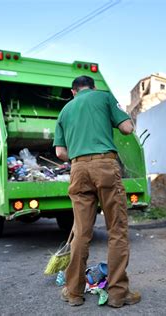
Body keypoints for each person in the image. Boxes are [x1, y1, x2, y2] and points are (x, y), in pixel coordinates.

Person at [53, 75, 141, 307]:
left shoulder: (65, 111)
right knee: (117, 229)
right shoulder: (103, 97)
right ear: (93, 87)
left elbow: (60, 153)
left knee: (81, 233)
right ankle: (118, 294)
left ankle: (73, 292)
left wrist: (80, 149)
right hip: (105, 166)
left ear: (74, 92)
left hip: (78, 168)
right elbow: (126, 128)